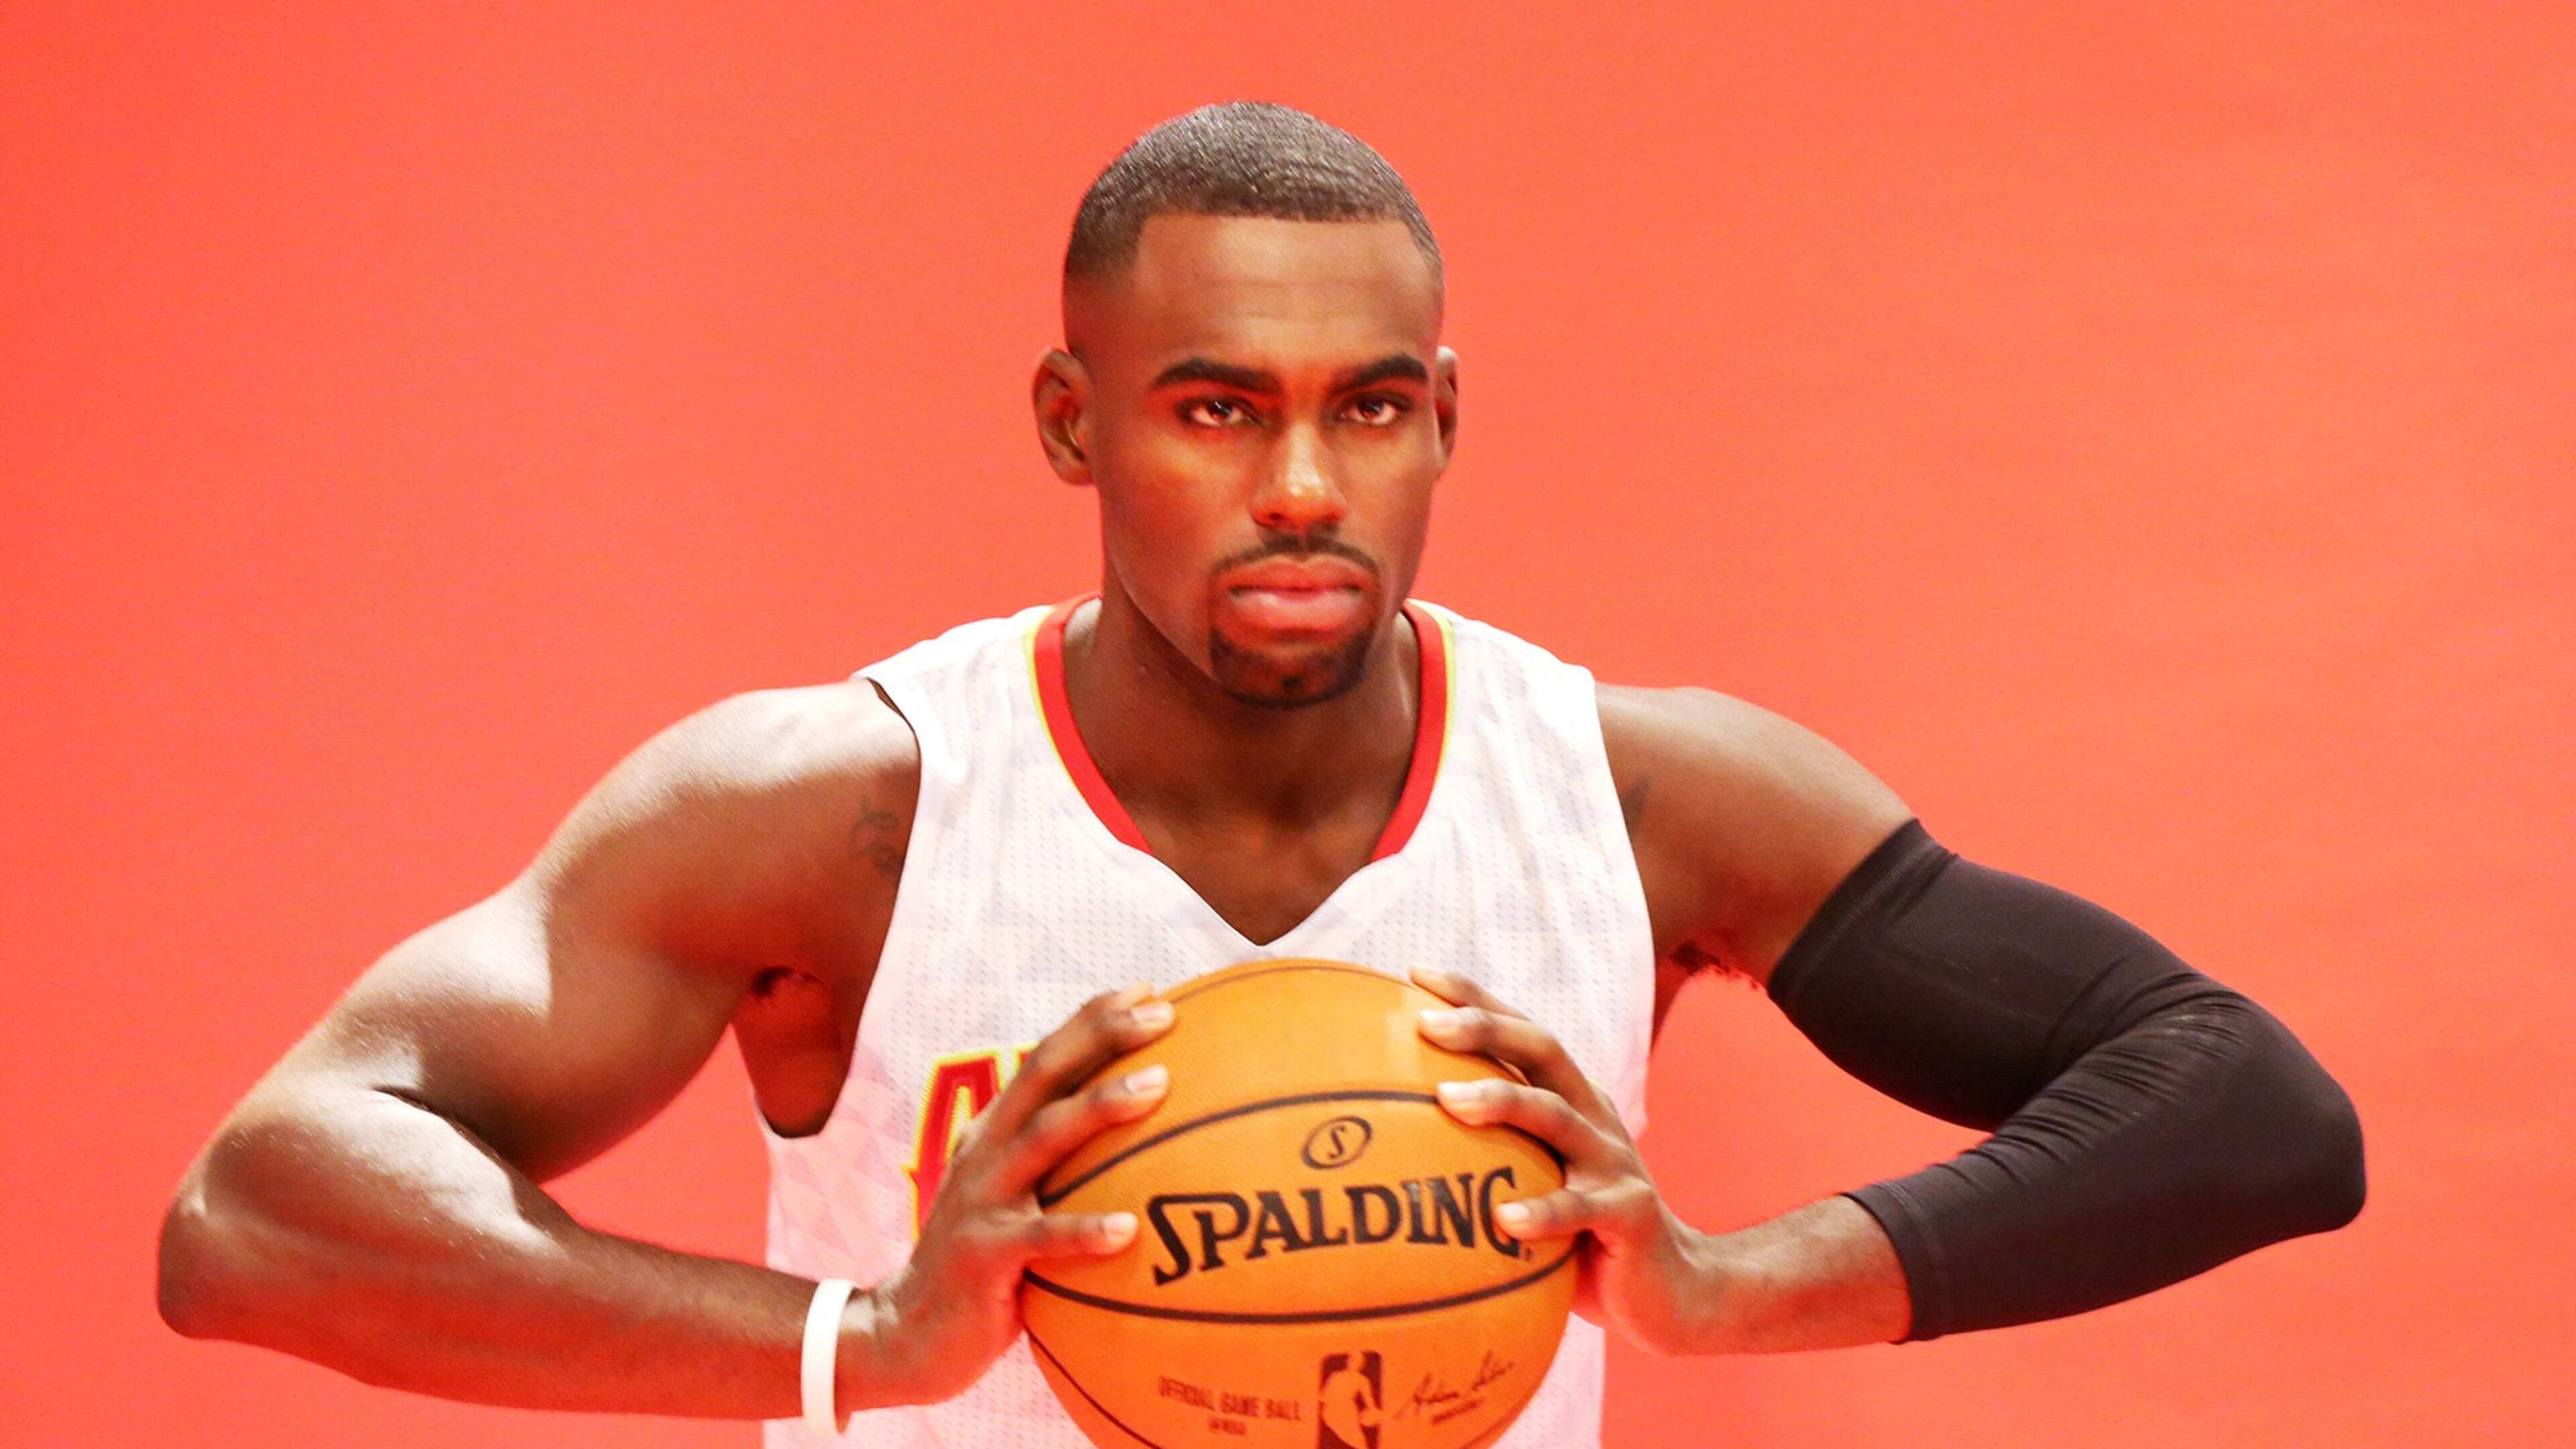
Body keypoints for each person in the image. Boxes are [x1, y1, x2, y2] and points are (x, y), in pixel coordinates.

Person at [156, 103, 2365, 1447]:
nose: (1305, 485)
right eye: (1215, 409)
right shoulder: (849, 807)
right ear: (1069, 418)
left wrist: (1738, 1279)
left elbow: (2252, 1105)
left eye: (1372, 408)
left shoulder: (1638, 793)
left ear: (1442, 416)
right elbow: (263, 1215)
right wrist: (869, 1342)